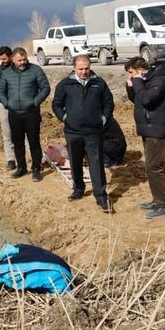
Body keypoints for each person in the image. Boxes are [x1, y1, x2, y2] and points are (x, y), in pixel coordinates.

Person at [52, 54, 114, 213]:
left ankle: (101, 196)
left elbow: (108, 103)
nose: (84, 72)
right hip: (73, 131)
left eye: (87, 68)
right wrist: (64, 117)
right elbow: (56, 104)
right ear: (74, 68)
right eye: (80, 69)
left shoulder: (99, 83)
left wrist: (104, 118)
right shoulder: (65, 84)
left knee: (96, 162)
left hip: (94, 132)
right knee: (75, 161)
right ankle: (78, 189)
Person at [124, 57, 165, 219]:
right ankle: (158, 199)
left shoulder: (161, 80)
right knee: (151, 167)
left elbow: (147, 99)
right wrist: (130, 87)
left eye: (131, 73)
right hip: (149, 129)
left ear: (139, 70)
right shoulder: (149, 79)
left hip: (157, 130)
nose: (131, 76)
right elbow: (138, 99)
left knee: (154, 167)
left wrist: (137, 82)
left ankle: (164, 205)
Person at [0, 47, 50, 181]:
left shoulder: (35, 70)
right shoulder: (7, 73)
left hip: (31, 113)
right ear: (13, 59)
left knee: (34, 142)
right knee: (17, 142)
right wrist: (7, 104)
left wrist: (35, 102)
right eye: (19, 60)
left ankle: (36, 169)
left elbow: (45, 88)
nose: (23, 62)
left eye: (24, 59)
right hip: (14, 113)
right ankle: (21, 167)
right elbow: (0, 91)